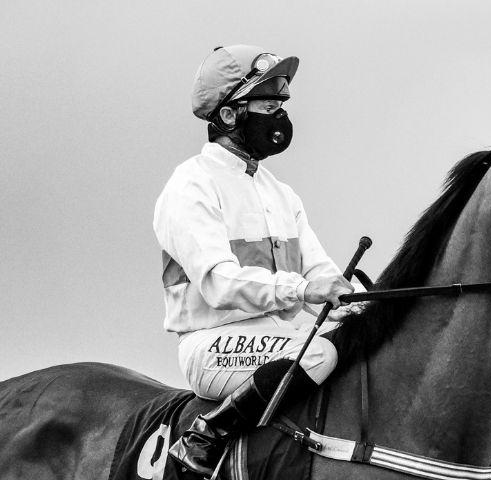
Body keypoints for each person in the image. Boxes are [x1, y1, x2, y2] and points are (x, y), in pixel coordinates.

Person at [154, 45, 353, 476]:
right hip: (212, 344)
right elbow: (220, 283)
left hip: (278, 336)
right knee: (319, 354)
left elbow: (319, 271)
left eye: (281, 104)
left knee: (360, 345)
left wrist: (352, 299)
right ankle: (206, 433)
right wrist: (305, 290)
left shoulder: (282, 193)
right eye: (267, 106)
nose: (280, 116)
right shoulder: (191, 185)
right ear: (229, 115)